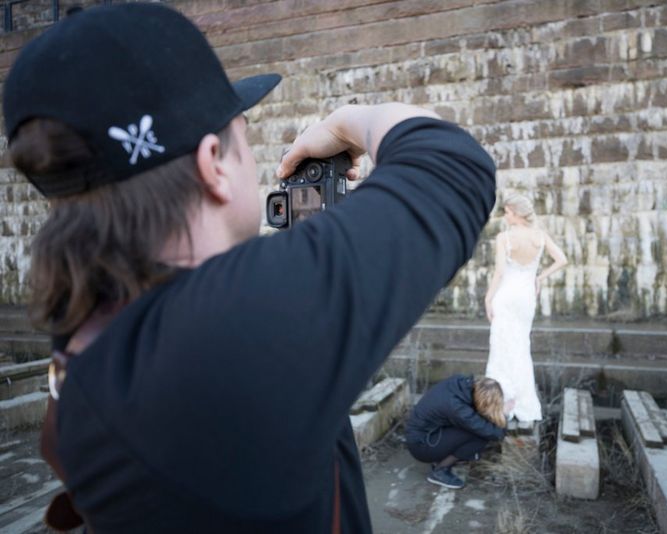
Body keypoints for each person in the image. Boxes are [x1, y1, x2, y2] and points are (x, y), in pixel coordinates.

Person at [3, 4, 495, 533]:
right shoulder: (237, 327)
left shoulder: (87, 330)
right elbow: (454, 165)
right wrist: (346, 122)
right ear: (213, 162)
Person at [484, 194, 568, 423]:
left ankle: (498, 406)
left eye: (508, 212)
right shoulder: (540, 237)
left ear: (518, 214)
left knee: (501, 349)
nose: (505, 216)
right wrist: (539, 277)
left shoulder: (505, 238)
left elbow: (500, 272)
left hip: (506, 296)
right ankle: (523, 404)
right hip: (526, 298)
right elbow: (562, 259)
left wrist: (488, 298)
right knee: (521, 347)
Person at [405, 375, 506, 489]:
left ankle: (443, 457)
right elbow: (495, 434)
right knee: (480, 435)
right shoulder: (457, 407)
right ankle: (440, 471)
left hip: (426, 433)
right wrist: (503, 416)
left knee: (476, 427)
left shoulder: (461, 384)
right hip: (421, 445)